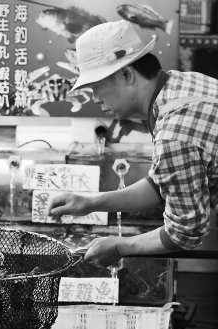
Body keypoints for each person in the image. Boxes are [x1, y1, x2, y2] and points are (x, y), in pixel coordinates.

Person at [48, 20, 218, 268]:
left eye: (96, 87)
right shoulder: (182, 84)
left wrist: (119, 246)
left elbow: (186, 232)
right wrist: (91, 202)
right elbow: (161, 184)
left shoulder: (174, 134)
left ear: (127, 74)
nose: (95, 99)